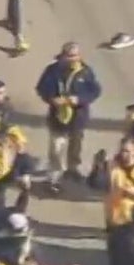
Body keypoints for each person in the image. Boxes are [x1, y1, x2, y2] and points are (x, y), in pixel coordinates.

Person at [35, 41, 102, 190]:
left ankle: (73, 169)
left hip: (78, 117)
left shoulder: (85, 72)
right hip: (57, 116)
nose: (73, 59)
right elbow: (41, 88)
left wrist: (79, 99)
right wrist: (52, 99)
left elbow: (95, 91)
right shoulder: (52, 71)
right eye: (69, 56)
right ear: (63, 56)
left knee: (75, 145)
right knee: (56, 147)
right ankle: (55, 175)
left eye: (75, 55)